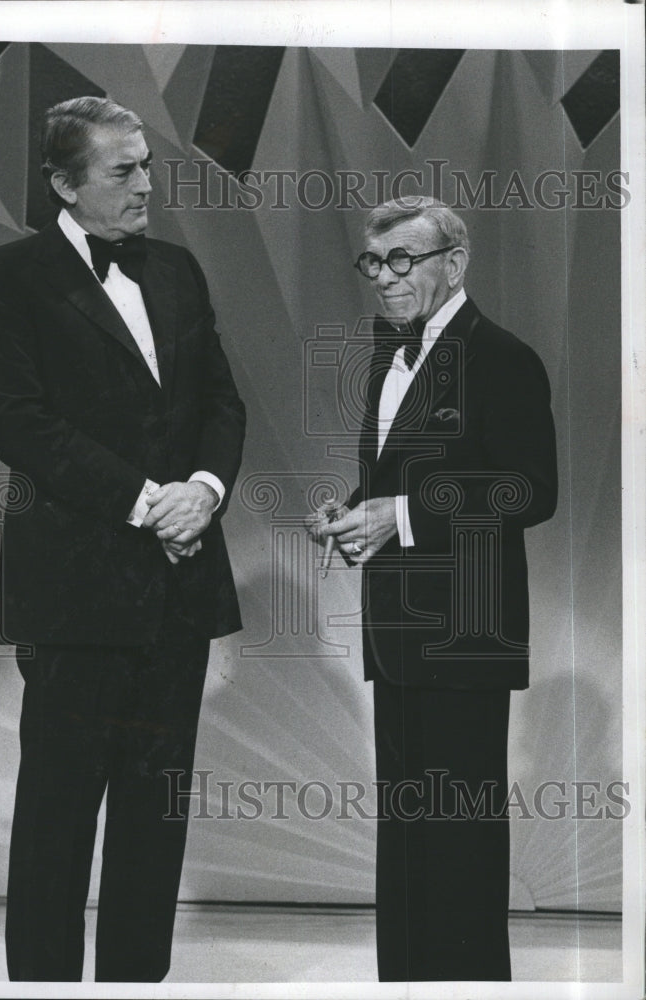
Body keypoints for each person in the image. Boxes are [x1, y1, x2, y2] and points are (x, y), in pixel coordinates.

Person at [0, 96, 246, 983]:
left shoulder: (177, 269)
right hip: (76, 590)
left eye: (147, 165)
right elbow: (21, 423)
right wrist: (144, 501)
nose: (144, 185)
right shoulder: (11, 276)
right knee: (55, 818)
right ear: (62, 181)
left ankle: (135, 985)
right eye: (122, 170)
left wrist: (201, 491)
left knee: (154, 819)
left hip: (181, 581)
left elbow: (220, 404)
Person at [308, 197, 557, 982]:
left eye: (401, 261)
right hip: (399, 634)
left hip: (465, 637)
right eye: (373, 262)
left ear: (454, 264)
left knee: (459, 854)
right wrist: (354, 515)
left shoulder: (502, 357)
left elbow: (529, 489)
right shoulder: (388, 356)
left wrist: (404, 514)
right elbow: (394, 482)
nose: (383, 278)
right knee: (409, 848)